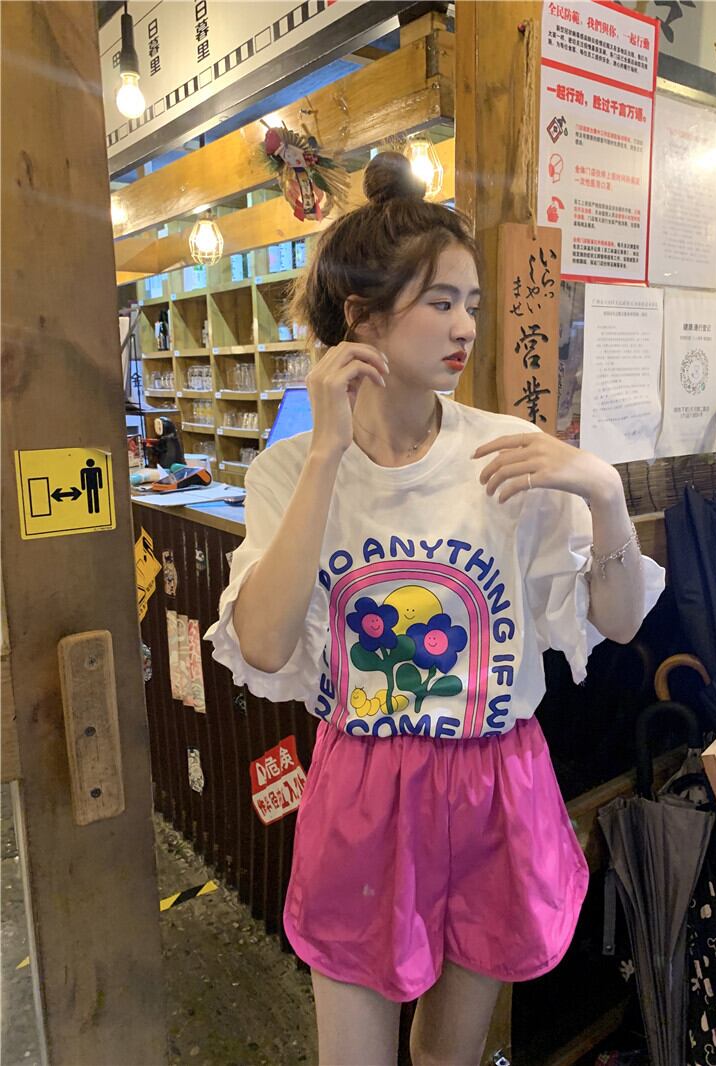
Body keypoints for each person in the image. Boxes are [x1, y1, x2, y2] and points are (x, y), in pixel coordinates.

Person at [206, 152, 665, 1066]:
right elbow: (259, 643)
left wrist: (606, 495)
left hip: (495, 784)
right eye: (441, 301)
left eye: (472, 304)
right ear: (361, 318)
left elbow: (617, 622)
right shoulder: (291, 471)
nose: (465, 327)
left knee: (449, 1055)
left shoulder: (507, 450)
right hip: (363, 791)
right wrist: (327, 453)